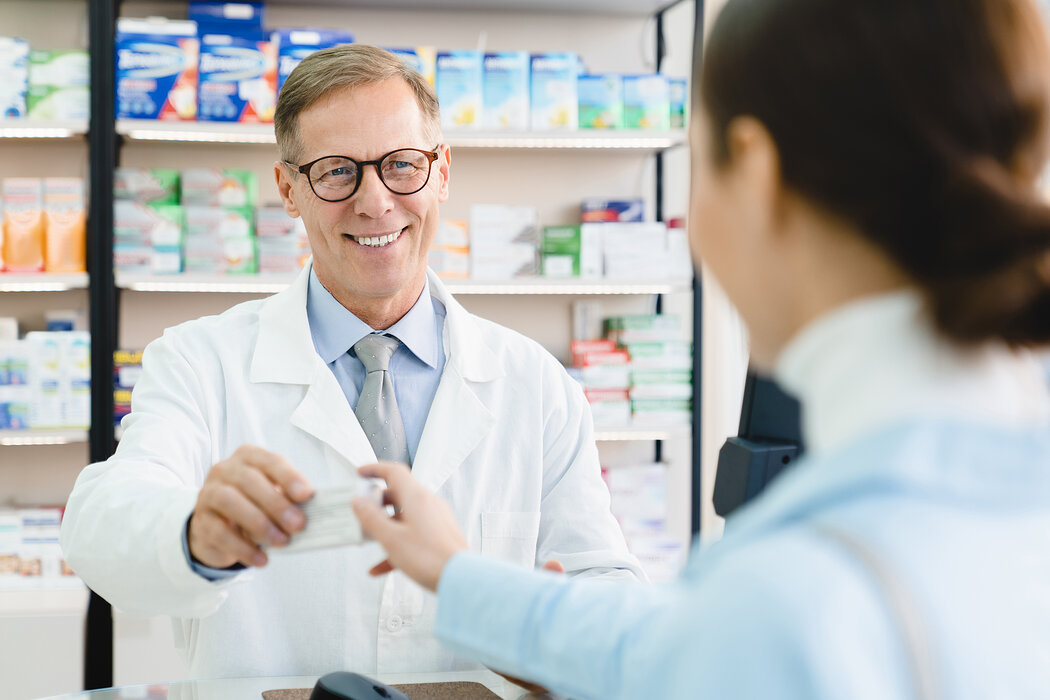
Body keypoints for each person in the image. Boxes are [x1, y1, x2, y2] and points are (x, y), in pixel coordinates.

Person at [351, 0, 1050, 697]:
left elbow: (694, 647)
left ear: (753, 170)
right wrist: (458, 574)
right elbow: (668, 643)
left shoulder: (794, 596)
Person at [60, 44, 643, 680]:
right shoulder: (200, 362)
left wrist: (555, 632)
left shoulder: (536, 386)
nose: (374, 202)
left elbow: (605, 589)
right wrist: (196, 535)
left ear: (441, 172)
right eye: (337, 171)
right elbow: (103, 523)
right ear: (289, 189)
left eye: (401, 165)